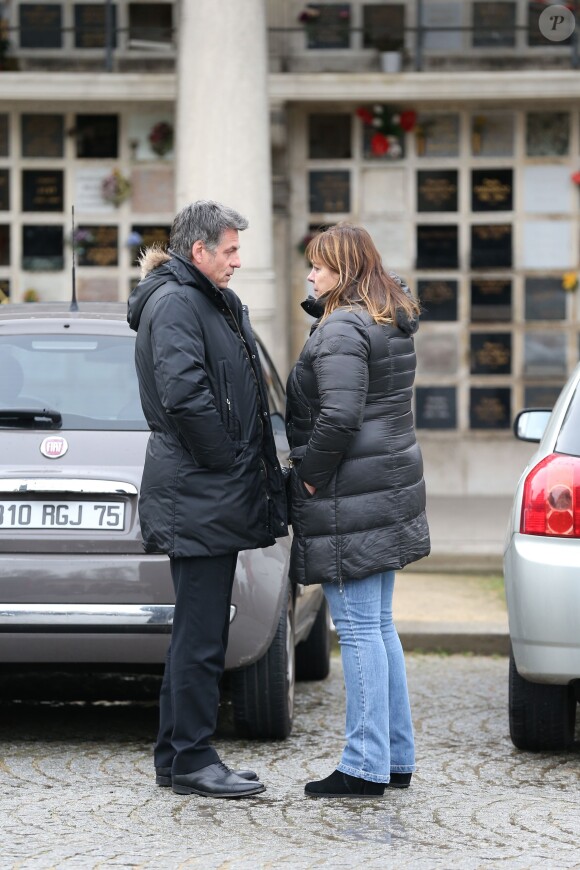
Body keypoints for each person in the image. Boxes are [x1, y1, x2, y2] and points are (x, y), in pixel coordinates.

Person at [127, 200, 288, 799]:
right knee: (201, 633)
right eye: (230, 250)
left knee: (197, 629)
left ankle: (174, 754)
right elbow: (184, 394)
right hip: (199, 488)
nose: (238, 261)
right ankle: (193, 757)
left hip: (204, 489)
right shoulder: (176, 303)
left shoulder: (203, 298)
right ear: (199, 251)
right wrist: (227, 460)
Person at [285, 223, 430, 798]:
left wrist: (310, 477)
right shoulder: (386, 316)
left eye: (319, 266)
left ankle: (365, 764)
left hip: (351, 494)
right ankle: (395, 755)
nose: (311, 275)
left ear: (344, 269)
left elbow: (340, 417)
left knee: (361, 629)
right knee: (378, 626)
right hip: (385, 487)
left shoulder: (345, 324)